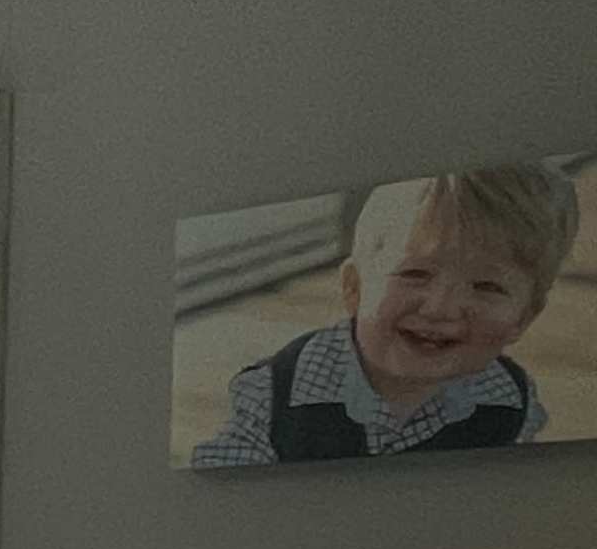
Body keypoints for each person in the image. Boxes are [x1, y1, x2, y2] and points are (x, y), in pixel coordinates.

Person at [190, 165, 577, 465]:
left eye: (487, 287)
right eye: (416, 274)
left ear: (523, 318)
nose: (440, 308)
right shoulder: (276, 395)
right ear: (354, 288)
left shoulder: (509, 400)